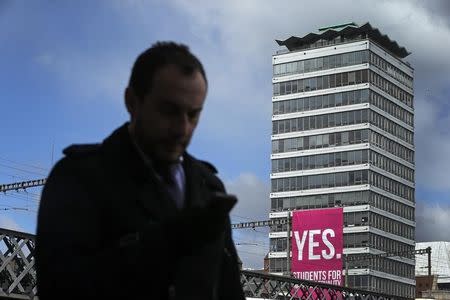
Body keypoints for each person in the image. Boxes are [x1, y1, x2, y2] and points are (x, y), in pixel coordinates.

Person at [35, 42, 245, 300]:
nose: (182, 128)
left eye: (193, 115)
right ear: (132, 101)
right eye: (169, 111)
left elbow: (229, 291)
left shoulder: (209, 186)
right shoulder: (79, 177)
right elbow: (61, 287)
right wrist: (168, 241)